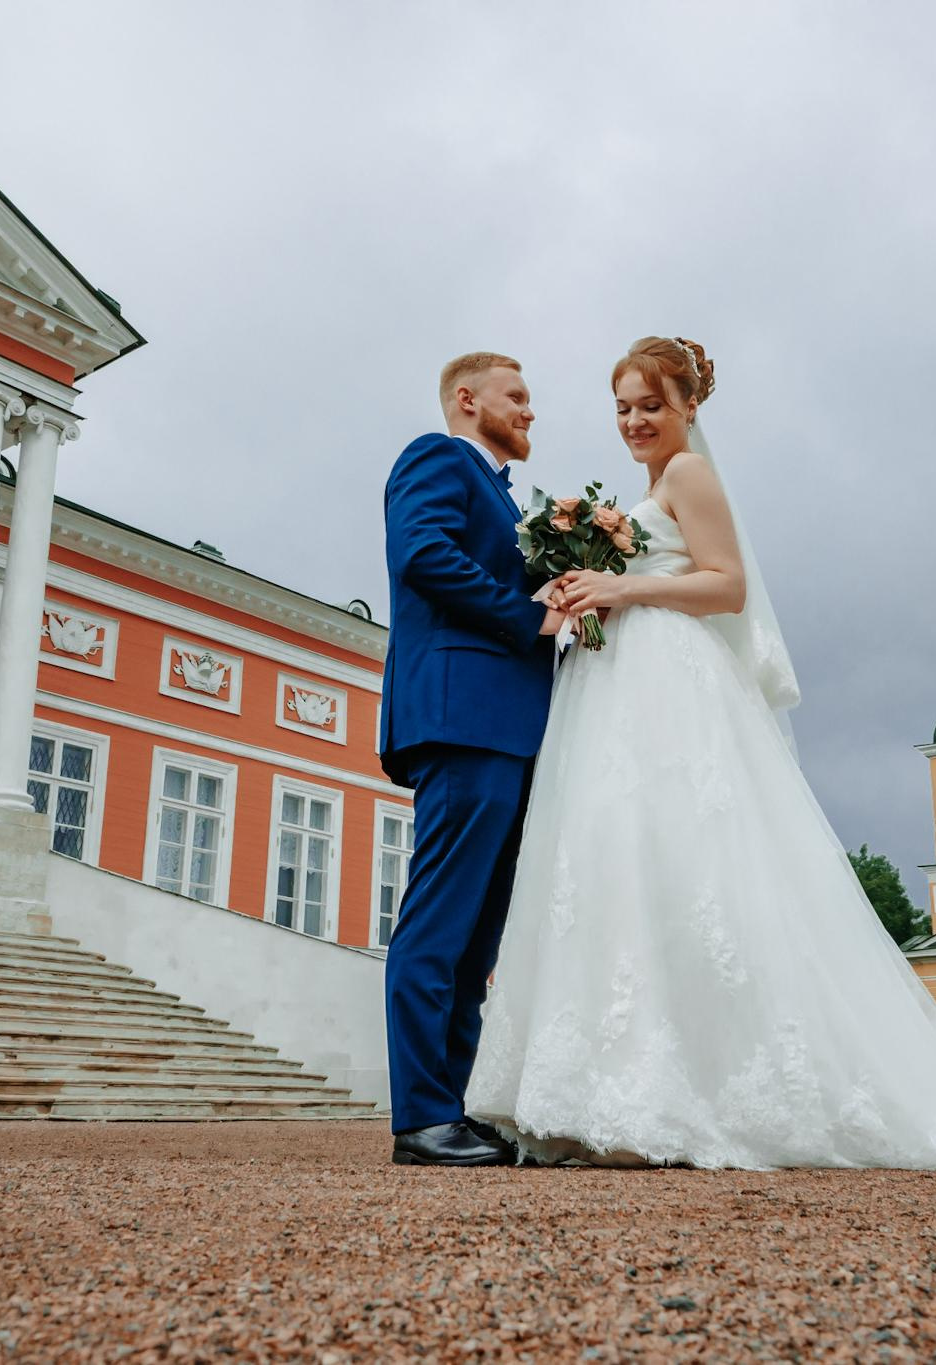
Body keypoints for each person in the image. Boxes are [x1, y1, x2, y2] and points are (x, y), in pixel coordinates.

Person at [464, 336, 936, 1171]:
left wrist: (620, 584)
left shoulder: (691, 475)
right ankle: (612, 1089)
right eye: (622, 408)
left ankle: (663, 1093)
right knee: (631, 865)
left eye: (650, 406)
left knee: (677, 860)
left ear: (689, 407)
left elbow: (726, 583)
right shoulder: (648, 489)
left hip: (669, 680)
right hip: (624, 679)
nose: (634, 421)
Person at [378, 352, 566, 1167]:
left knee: (478, 939)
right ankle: (421, 1115)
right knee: (441, 920)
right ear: (467, 399)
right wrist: (530, 616)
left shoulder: (501, 492)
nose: (530, 410)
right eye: (516, 396)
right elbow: (421, 553)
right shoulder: (437, 455)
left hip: (513, 727)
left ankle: (453, 1106)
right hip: (464, 716)